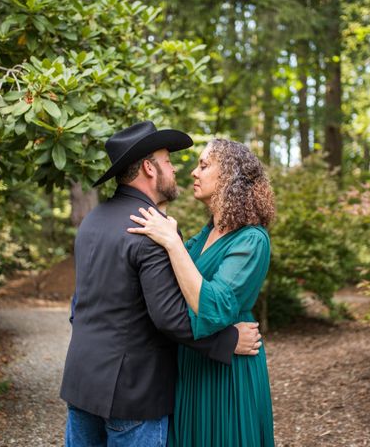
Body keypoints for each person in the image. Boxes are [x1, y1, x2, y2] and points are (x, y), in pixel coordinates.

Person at [60, 122, 262, 447]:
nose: (177, 169)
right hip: (132, 393)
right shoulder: (152, 229)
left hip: (81, 382)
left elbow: (78, 306)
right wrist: (226, 340)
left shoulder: (93, 221)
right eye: (168, 161)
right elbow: (168, 318)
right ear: (149, 168)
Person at [128, 138, 276, 446]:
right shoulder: (208, 233)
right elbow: (172, 283)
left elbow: (213, 306)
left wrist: (172, 242)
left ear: (230, 176)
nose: (194, 172)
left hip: (229, 372)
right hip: (197, 361)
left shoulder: (251, 240)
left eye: (204, 165)